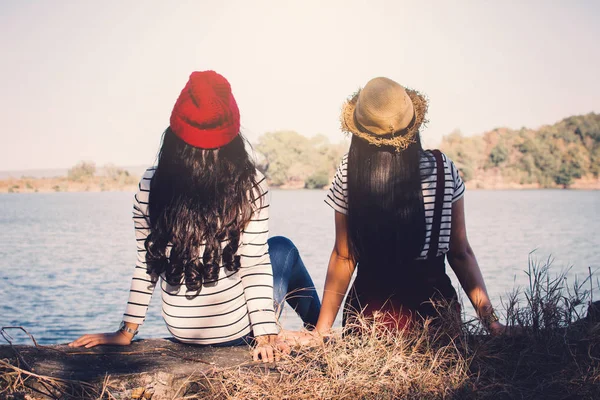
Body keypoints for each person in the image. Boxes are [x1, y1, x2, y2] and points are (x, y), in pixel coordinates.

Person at [69, 71, 321, 362]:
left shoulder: (151, 184)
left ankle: (314, 330)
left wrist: (125, 331)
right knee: (281, 248)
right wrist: (265, 335)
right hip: (237, 329)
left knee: (268, 251)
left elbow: (146, 263)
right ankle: (320, 331)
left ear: (175, 132)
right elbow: (254, 264)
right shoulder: (250, 183)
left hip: (182, 330)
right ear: (232, 132)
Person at [313, 77, 506, 335]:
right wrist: (491, 323)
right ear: (413, 126)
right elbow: (460, 254)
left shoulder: (350, 173)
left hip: (370, 323)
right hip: (437, 324)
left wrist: (321, 332)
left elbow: (344, 256)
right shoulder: (442, 168)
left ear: (359, 133)